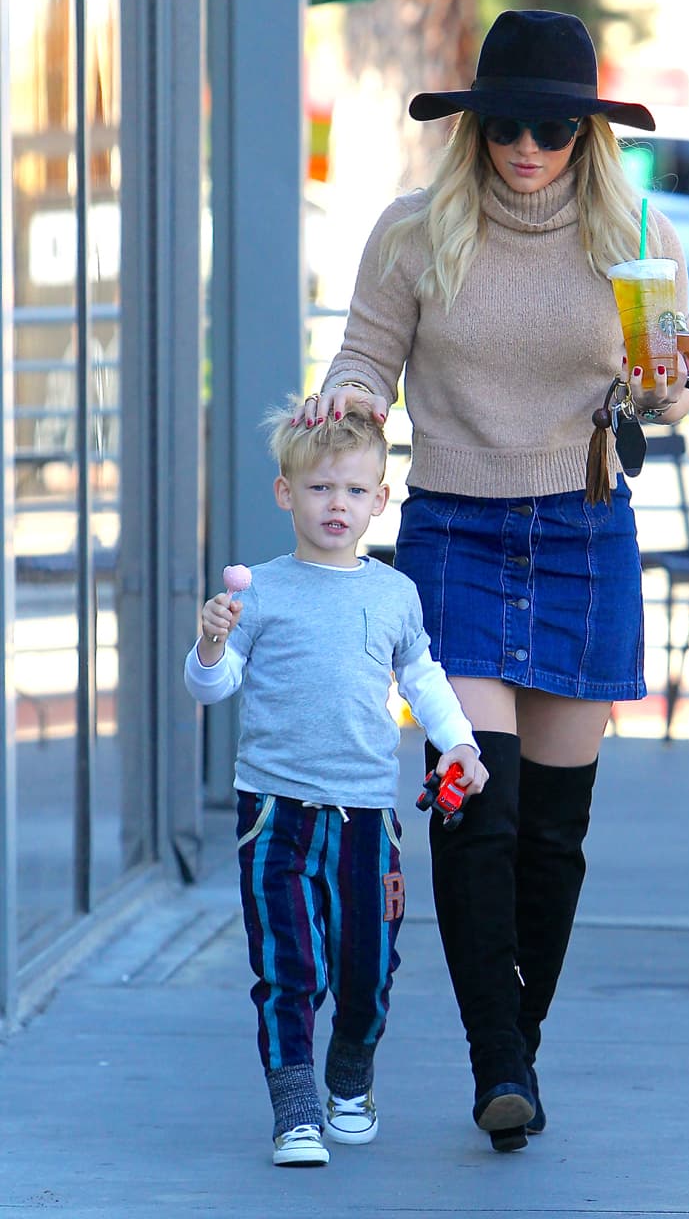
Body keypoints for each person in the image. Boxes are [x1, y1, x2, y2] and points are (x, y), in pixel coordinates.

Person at [300, 8, 689, 1153]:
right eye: (507, 125)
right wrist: (356, 399)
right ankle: (499, 1067)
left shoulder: (637, 233)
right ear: (473, 128)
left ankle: (515, 1040)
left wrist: (672, 384)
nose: (527, 147)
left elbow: (663, 388)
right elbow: (367, 352)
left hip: (582, 531)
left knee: (553, 836)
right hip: (456, 535)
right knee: (479, 810)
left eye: (553, 129)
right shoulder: (417, 232)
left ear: (588, 137)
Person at [183, 402, 487, 1167]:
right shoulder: (260, 592)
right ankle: (295, 1110)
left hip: (365, 814)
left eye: (354, 491)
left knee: (368, 965)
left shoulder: (392, 594)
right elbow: (211, 690)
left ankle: (349, 1075)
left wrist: (460, 744)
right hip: (274, 811)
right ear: (287, 493)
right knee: (288, 965)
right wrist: (211, 641)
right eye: (320, 490)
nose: (337, 506)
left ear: (380, 500)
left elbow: (422, 674)